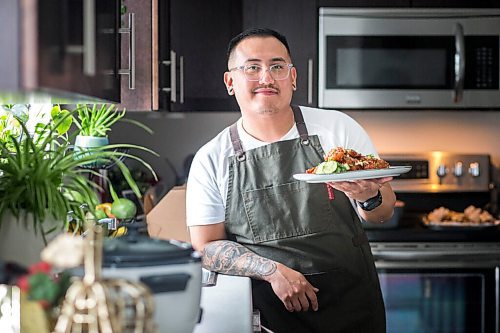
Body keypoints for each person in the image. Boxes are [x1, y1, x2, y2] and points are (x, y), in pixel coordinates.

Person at [186, 27, 396, 333]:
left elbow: (383, 211)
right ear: (231, 82)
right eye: (252, 67)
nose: (267, 78)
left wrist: (369, 196)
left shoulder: (336, 129)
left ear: (293, 77)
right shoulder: (211, 158)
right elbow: (205, 247)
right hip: (269, 317)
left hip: (350, 310)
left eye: (277, 66)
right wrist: (272, 271)